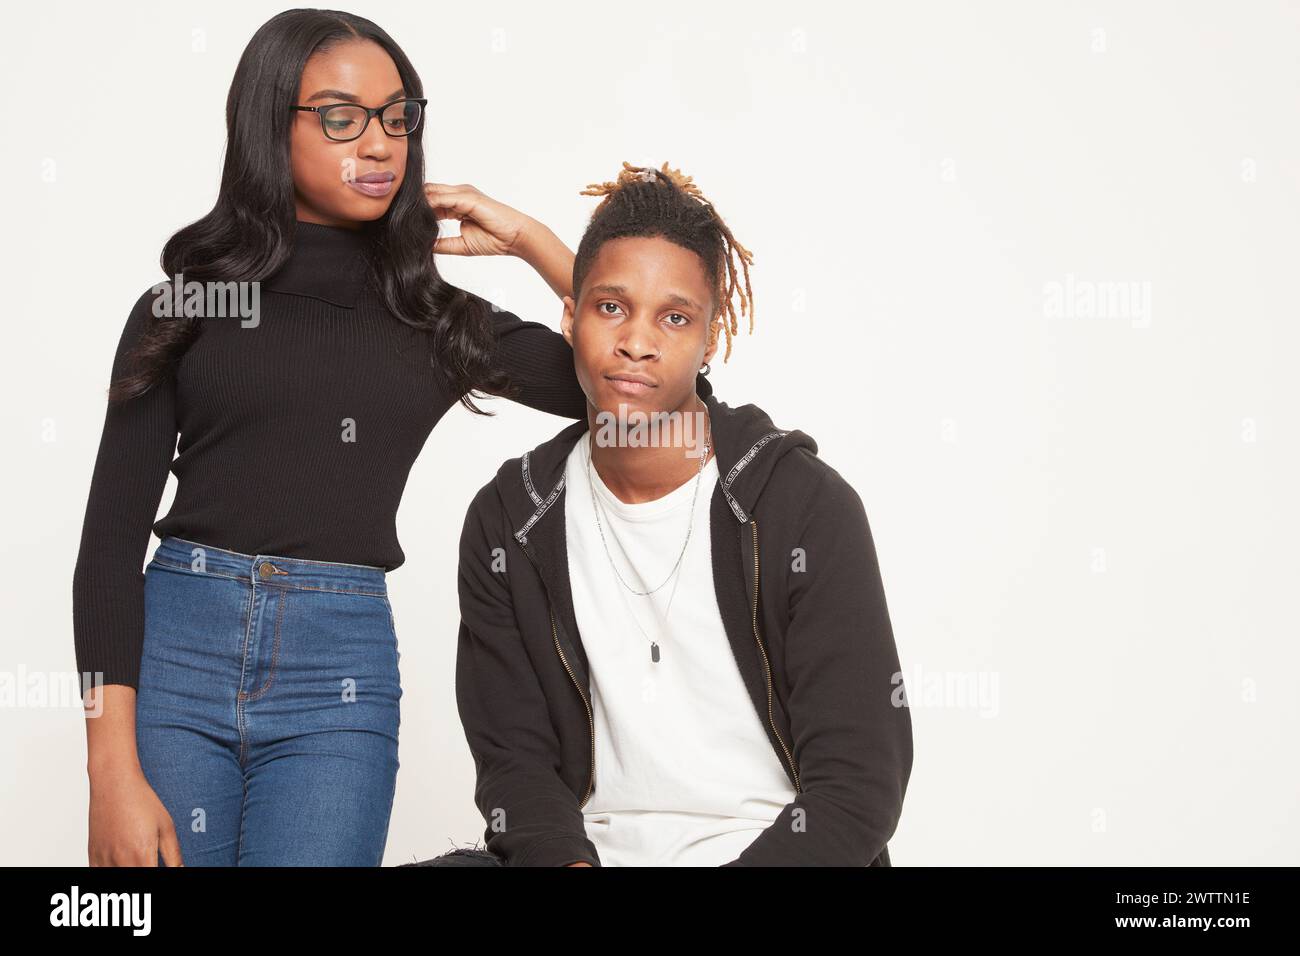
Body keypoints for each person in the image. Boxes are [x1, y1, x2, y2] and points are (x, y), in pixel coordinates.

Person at [72, 11, 712, 867]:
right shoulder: (191, 305)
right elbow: (108, 548)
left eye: (397, 115)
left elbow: (666, 400)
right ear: (270, 124)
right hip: (177, 653)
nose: (378, 143)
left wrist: (530, 241)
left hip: (334, 680)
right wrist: (108, 771)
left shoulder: (431, 321)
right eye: (340, 116)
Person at [428, 161, 912, 867]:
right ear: (570, 314)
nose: (637, 342)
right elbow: (515, 766)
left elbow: (860, 783)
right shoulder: (511, 519)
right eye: (611, 308)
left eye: (675, 317)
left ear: (710, 339)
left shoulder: (802, 507)